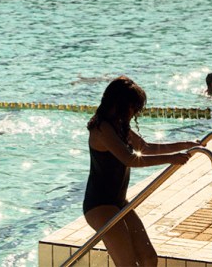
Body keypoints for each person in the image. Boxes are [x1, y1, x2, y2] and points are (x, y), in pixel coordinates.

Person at [83, 76, 199, 266]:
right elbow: (129, 159)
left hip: (119, 202)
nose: (134, 112)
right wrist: (171, 159)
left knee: (149, 258)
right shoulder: (101, 128)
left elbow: (146, 147)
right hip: (99, 205)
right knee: (128, 264)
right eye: (133, 107)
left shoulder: (119, 126)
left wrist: (186, 144)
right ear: (120, 104)